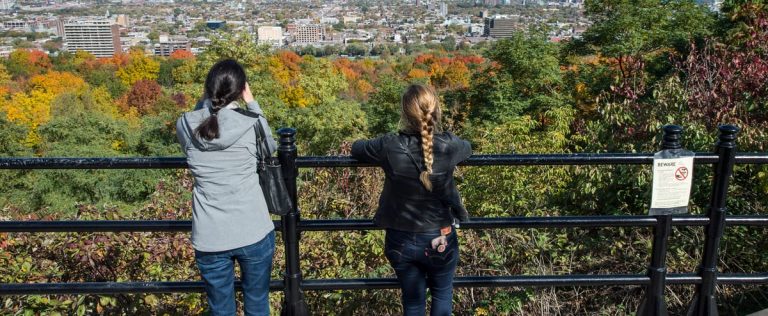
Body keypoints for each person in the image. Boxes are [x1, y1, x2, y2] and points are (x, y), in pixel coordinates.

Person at [351, 84, 472, 316]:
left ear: (405, 113)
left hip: (401, 238)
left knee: (413, 302)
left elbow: (357, 148)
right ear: (436, 110)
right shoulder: (449, 145)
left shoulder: (388, 145)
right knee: (442, 294)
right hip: (440, 236)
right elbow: (468, 147)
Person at [176, 59, 277, 316]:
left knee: (220, 309)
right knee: (257, 303)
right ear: (242, 89)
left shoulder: (185, 125)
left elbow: (203, 124)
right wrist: (252, 102)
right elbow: (270, 149)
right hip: (253, 228)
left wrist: (205, 101)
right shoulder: (251, 121)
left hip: (210, 235)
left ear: (208, 88)